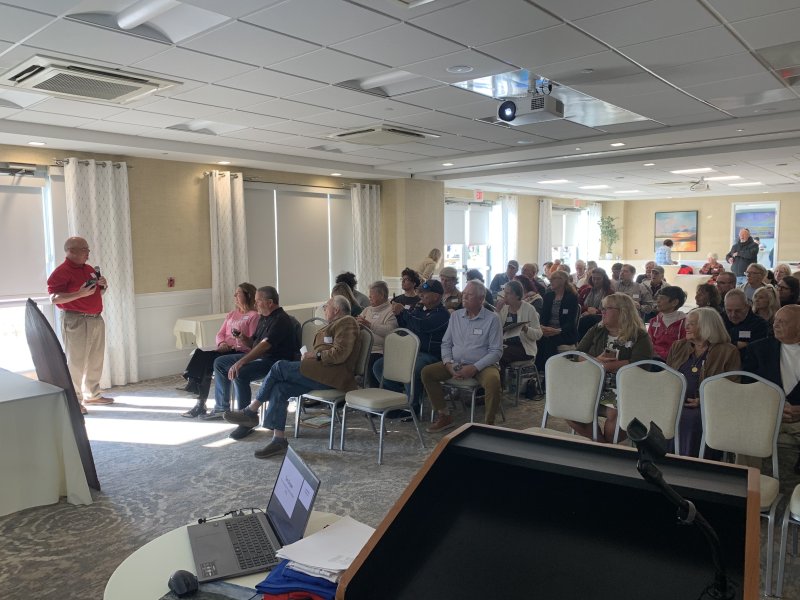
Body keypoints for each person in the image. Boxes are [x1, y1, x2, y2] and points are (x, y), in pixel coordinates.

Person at [224, 295, 361, 457]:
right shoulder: (332, 325)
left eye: (327, 306)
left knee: (279, 367)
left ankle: (251, 411)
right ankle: (278, 440)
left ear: (336, 310)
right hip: (320, 372)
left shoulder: (347, 322)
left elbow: (340, 354)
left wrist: (315, 355)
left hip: (334, 375)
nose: (324, 309)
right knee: (280, 388)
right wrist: (311, 357)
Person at [204, 286, 298, 427]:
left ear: (270, 302)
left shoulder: (281, 320)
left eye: (258, 300)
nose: (255, 304)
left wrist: (241, 361)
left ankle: (246, 417)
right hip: (261, 357)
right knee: (220, 362)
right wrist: (243, 337)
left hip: (274, 362)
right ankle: (222, 406)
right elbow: (254, 344)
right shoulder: (264, 318)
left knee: (240, 373)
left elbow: (264, 345)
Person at [421, 281, 503, 432]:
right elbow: (446, 344)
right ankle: (444, 416)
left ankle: (489, 425)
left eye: (469, 295)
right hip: (456, 363)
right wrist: (448, 364)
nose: (464, 297)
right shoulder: (456, 316)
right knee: (427, 372)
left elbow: (496, 351)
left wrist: (474, 368)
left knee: (493, 381)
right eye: (464, 293)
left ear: (481, 299)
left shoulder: (492, 319)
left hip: (483, 365)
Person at [573, 293, 653, 443]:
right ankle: (602, 446)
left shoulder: (639, 335)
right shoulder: (597, 329)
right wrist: (597, 360)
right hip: (592, 383)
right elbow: (577, 355)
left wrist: (602, 366)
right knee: (568, 405)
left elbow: (640, 363)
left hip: (623, 386)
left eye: (607, 308)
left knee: (614, 413)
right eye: (602, 308)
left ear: (623, 311)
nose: (602, 312)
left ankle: (605, 446)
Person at [48, 237, 114, 416]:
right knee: (76, 362)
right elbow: (54, 298)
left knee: (95, 359)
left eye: (88, 249)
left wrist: (103, 286)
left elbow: (95, 293)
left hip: (95, 318)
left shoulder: (89, 269)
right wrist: (79, 294)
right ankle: (74, 401)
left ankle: (92, 394)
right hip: (76, 320)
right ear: (71, 251)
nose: (88, 252)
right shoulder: (61, 272)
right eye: (85, 249)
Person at [666, 308, 740, 457]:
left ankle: (691, 464)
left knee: (690, 419)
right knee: (662, 413)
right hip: (675, 402)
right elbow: (667, 377)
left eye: (692, 324)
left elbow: (732, 387)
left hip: (707, 407)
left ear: (707, 326)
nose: (686, 327)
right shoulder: (678, 346)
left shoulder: (728, 351)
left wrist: (704, 400)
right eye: (687, 323)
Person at [179, 283, 259, 416]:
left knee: (207, 363)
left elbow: (253, 342)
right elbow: (220, 334)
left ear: (248, 295)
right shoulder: (232, 314)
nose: (235, 296)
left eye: (238, 293)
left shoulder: (253, 316)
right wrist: (222, 343)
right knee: (201, 354)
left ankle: (198, 396)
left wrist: (235, 344)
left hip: (240, 351)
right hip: (225, 349)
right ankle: (198, 398)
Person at [377, 279, 450, 415]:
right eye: (420, 292)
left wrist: (404, 312)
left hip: (430, 355)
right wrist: (399, 314)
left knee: (413, 368)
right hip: (411, 351)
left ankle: (412, 405)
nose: (421, 295)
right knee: (379, 366)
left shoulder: (443, 314)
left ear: (436, 296)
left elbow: (422, 325)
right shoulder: (419, 309)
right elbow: (406, 325)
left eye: (425, 293)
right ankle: (397, 400)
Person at [743, 306, 800, 472]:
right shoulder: (758, 349)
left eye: (783, 322)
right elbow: (746, 387)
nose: (775, 325)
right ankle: (749, 480)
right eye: (775, 321)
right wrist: (773, 408)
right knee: (744, 431)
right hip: (767, 413)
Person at [535, 270, 580, 371]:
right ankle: (540, 371)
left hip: (565, 332)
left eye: (554, 279)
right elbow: (543, 317)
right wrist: (542, 327)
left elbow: (570, 322)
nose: (551, 281)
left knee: (549, 342)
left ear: (562, 281)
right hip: (547, 330)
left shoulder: (571, 297)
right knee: (538, 339)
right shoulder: (548, 296)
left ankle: (550, 372)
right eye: (551, 279)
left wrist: (558, 330)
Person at [356, 281, 397, 387]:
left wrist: (370, 325)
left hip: (379, 350)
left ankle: (372, 390)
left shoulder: (391, 311)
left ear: (382, 295)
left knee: (369, 361)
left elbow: (391, 331)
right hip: (363, 348)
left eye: (372, 295)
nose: (369, 297)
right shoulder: (367, 310)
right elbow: (357, 323)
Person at [498, 280, 543, 375]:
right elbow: (495, 329)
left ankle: (500, 383)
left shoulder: (529, 309)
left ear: (517, 295)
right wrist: (497, 311)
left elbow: (539, 334)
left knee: (499, 355)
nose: (505, 296)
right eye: (504, 293)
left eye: (508, 293)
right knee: (491, 353)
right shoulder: (504, 309)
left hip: (524, 348)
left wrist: (526, 329)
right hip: (505, 345)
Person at [722, 288, 769, 355]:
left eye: (738, 311)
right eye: (729, 310)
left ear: (747, 307)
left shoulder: (760, 324)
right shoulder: (720, 320)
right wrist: (736, 344)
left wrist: (726, 344)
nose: (733, 315)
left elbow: (755, 350)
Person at [647, 286, 687, 360]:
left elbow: (684, 347)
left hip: (675, 361)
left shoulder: (685, 323)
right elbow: (649, 343)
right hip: (654, 359)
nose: (658, 301)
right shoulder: (654, 321)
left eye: (662, 298)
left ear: (674, 302)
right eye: (658, 298)